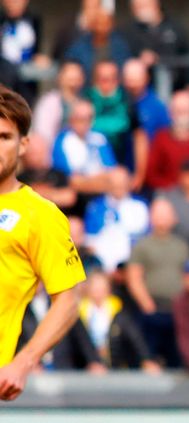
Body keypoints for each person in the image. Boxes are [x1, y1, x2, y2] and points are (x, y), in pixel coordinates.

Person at [0, 86, 86, 401]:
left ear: (23, 144)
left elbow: (69, 299)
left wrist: (23, 362)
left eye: (4, 137)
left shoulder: (39, 214)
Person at [125, 197, 189, 365]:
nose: (161, 218)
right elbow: (134, 278)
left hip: (178, 311)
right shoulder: (142, 246)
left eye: (165, 214)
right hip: (151, 309)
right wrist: (148, 307)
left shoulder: (182, 246)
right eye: (158, 214)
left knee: (178, 361)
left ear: (174, 218)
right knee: (149, 359)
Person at [82, 165, 148, 272]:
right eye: (114, 184)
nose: (118, 187)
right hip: (101, 267)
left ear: (128, 183)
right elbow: (89, 242)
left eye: (122, 184)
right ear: (107, 184)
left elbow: (144, 239)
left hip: (131, 267)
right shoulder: (95, 207)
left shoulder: (140, 207)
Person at [123, 0, 189, 92]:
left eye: (143, 5)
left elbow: (188, 57)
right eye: (136, 7)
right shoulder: (128, 32)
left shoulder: (175, 28)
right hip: (143, 92)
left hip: (176, 88)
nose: (139, 10)